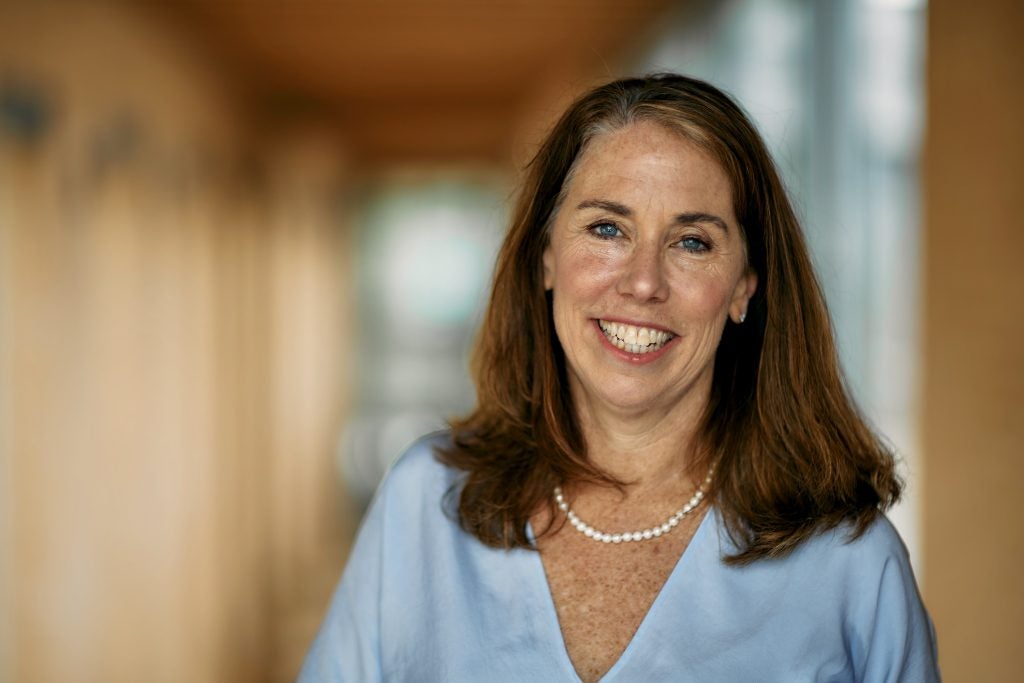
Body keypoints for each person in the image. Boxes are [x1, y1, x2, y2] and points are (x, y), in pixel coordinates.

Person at [299, 74, 939, 682]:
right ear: (546, 257)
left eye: (692, 241)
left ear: (745, 286)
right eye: (607, 229)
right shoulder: (426, 500)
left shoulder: (849, 562)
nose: (643, 282)